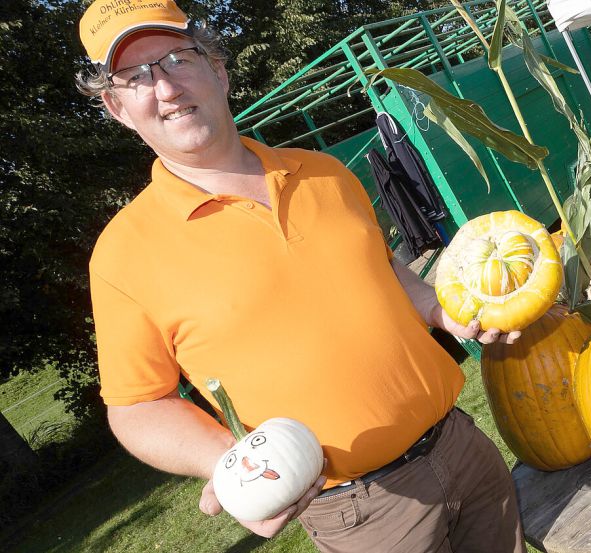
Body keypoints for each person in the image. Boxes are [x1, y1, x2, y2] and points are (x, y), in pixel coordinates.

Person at [75, 0, 526, 551]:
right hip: (360, 514)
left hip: (463, 446)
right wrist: (229, 466)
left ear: (216, 69)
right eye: (134, 77)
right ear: (117, 107)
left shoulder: (325, 172)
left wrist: (438, 307)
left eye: (176, 59)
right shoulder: (123, 254)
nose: (165, 88)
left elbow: (381, 267)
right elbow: (136, 405)